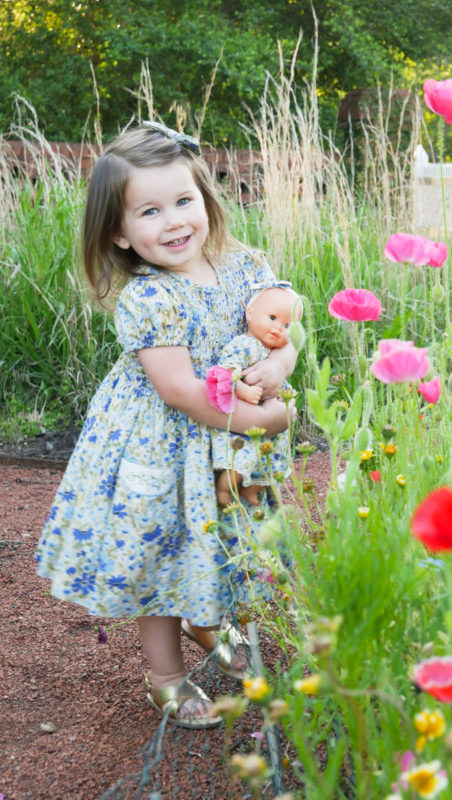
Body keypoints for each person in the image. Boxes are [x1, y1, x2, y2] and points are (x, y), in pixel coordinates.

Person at [35, 122, 297, 729]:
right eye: (149, 211)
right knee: (161, 554)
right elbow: (179, 391)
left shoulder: (243, 267)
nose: (174, 221)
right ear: (121, 234)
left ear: (205, 201)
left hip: (226, 446)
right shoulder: (150, 299)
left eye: (184, 201)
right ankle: (166, 678)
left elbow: (283, 333)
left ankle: (209, 620)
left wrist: (278, 367)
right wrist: (266, 418)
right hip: (161, 447)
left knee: (227, 540)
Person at [206, 283, 302, 507]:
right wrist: (244, 390)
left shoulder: (271, 351)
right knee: (241, 460)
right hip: (245, 416)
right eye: (272, 318)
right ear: (250, 314)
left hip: (274, 425)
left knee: (273, 461)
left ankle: (252, 489)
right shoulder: (244, 345)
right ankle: (223, 491)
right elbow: (227, 373)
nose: (278, 328)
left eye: (287, 325)